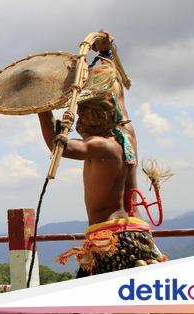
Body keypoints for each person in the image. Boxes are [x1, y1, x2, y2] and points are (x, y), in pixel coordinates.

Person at [37, 50, 166, 277]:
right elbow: (120, 97)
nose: (79, 119)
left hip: (110, 239)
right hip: (140, 236)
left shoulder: (100, 146)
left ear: (97, 115)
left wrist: (40, 105)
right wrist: (106, 55)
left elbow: (59, 146)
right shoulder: (127, 136)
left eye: (83, 113)